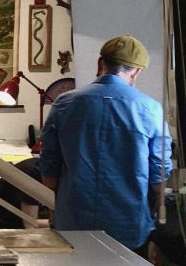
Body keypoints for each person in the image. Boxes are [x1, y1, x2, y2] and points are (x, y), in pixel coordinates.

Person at [39, 34, 170, 254]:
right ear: (137, 72)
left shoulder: (64, 103)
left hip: (73, 221)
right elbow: (159, 176)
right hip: (128, 225)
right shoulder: (151, 109)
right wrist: (155, 209)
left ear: (101, 64)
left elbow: (49, 167)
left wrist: (55, 209)